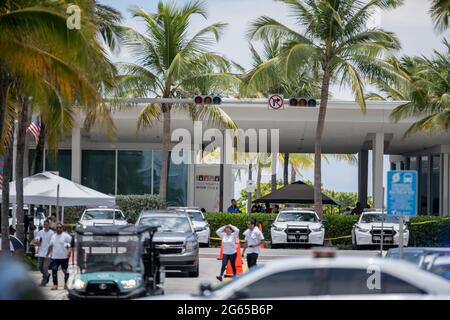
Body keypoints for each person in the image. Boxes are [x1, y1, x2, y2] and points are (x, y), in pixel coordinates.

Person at [46, 223, 72, 290]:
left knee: (65, 271)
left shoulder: (66, 236)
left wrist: (69, 252)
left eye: (60, 227)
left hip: (64, 257)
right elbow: (50, 246)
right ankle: (55, 285)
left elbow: (69, 245)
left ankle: (66, 284)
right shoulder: (53, 236)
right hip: (55, 257)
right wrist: (47, 255)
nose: (58, 229)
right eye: (57, 227)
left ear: (62, 228)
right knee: (54, 270)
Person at [35, 220, 54, 286]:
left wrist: (48, 253)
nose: (45, 226)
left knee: (45, 268)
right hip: (41, 253)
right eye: (44, 224)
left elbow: (52, 244)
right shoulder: (40, 232)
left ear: (49, 225)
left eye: (46, 224)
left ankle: (44, 281)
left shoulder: (52, 233)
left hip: (48, 254)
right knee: (39, 267)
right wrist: (37, 243)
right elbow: (37, 242)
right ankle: (47, 275)